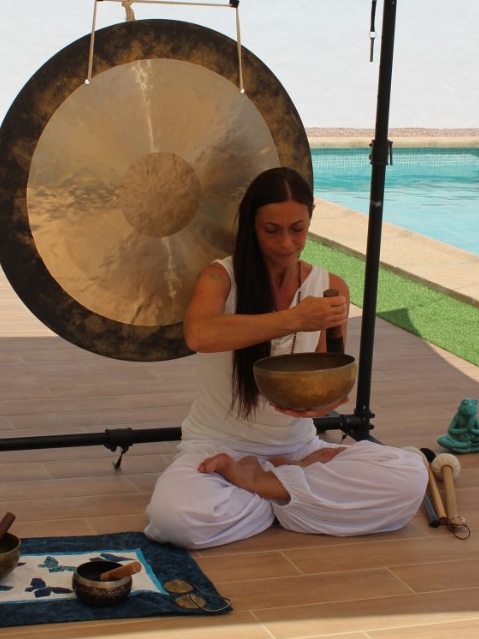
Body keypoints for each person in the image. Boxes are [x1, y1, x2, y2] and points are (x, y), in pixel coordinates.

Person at [145, 167, 428, 550]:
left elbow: (329, 373)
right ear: (252, 225)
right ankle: (290, 494)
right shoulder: (219, 277)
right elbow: (199, 334)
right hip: (217, 447)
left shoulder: (329, 287)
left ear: (311, 218)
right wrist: (293, 318)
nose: (286, 243)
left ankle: (262, 485)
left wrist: (321, 402)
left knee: (409, 476)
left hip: (299, 451)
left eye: (297, 229)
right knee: (175, 518)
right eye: (271, 230)